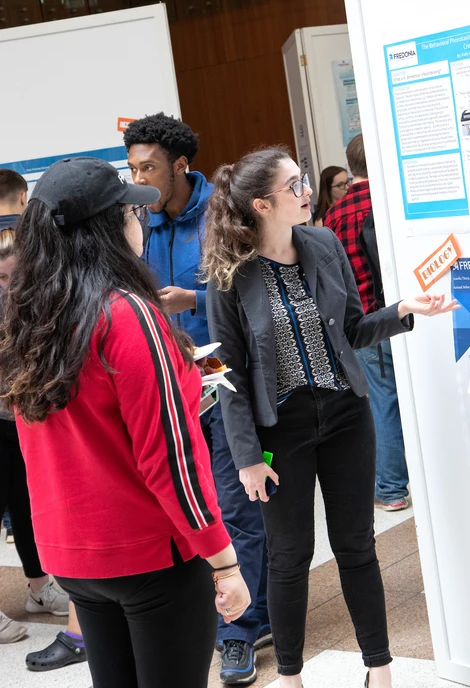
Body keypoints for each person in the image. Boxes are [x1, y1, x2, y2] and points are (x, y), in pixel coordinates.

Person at [203, 145, 458, 688]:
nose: (307, 192)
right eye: (294, 185)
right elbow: (228, 375)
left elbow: (354, 330)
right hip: (280, 429)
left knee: (357, 545)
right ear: (262, 204)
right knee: (290, 555)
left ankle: (380, 671)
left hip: (345, 413)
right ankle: (292, 678)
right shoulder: (229, 274)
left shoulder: (323, 242)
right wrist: (247, 457)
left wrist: (404, 311)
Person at [0, 157, 250, 688]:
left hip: (72, 554)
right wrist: (223, 561)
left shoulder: (28, 313)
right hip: (150, 552)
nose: (141, 219)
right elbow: (169, 457)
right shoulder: (126, 314)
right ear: (109, 228)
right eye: (131, 210)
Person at [124, 113, 271, 685]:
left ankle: (241, 632)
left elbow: (254, 291)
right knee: (183, 509)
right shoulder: (138, 221)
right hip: (169, 388)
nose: (138, 177)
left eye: (148, 167)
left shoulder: (222, 213)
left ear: (180, 165)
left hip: (226, 380)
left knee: (235, 506)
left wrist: (195, 298)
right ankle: (216, 609)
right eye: (132, 167)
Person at [0, 176, 69, 645]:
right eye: (2, 277)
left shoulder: (33, 290)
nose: (10, 286)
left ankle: (39, 585)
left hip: (18, 410)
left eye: (15, 277)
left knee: (27, 499)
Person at [323, 135, 408, 511]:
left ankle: (390, 490)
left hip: (363, 321)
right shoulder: (391, 202)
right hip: (405, 310)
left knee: (385, 400)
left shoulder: (331, 216)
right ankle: (398, 483)